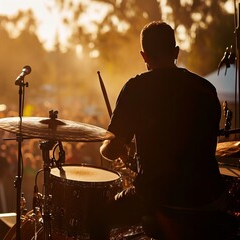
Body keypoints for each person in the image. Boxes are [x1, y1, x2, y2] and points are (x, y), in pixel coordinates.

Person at [90, 21, 238, 239]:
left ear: (144, 56)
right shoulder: (206, 88)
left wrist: (113, 146)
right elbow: (207, 144)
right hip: (209, 197)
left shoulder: (136, 87)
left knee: (96, 218)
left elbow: (110, 151)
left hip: (159, 197)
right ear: (176, 51)